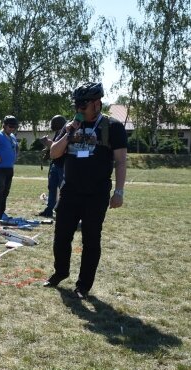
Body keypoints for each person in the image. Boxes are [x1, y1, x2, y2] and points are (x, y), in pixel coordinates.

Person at [44, 82, 127, 299]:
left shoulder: (112, 127)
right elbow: (54, 153)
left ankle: (83, 285)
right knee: (61, 236)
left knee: (91, 240)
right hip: (70, 191)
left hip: (96, 193)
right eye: (77, 104)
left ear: (98, 103)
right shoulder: (70, 126)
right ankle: (60, 272)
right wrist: (70, 131)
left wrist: (119, 192)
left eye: (85, 104)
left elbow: (120, 161)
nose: (80, 108)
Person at [37, 115, 67, 218]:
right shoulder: (58, 133)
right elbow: (54, 148)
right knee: (52, 188)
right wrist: (47, 147)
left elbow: (62, 149)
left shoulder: (66, 134)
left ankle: (62, 211)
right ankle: (49, 210)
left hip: (62, 165)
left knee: (63, 189)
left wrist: (50, 143)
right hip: (55, 164)